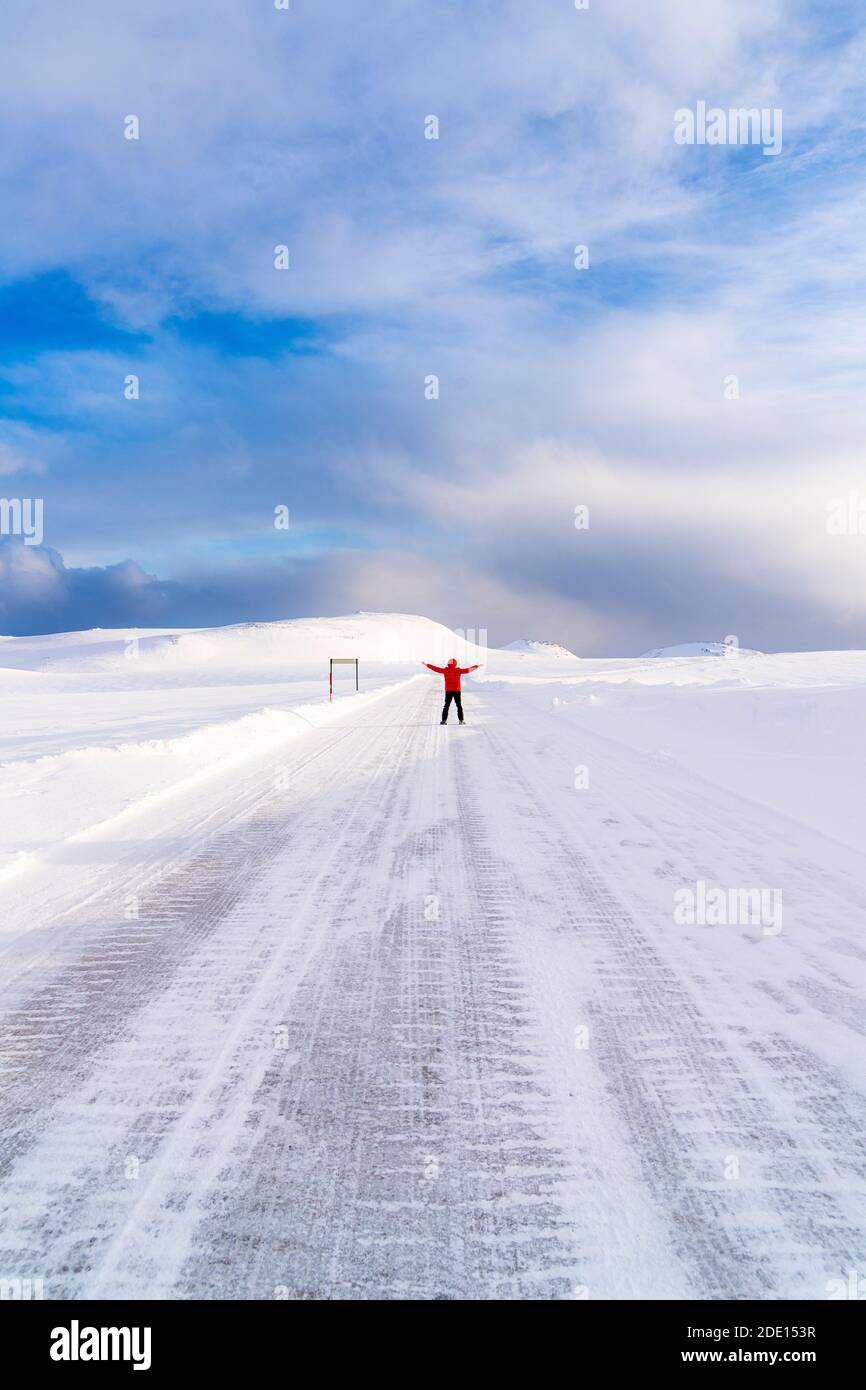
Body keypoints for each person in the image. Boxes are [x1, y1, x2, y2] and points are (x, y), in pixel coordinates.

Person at [423, 657, 480, 724]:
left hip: (448, 691)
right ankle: (461, 720)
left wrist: (427, 665)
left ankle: (444, 721)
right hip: (457, 690)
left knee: (446, 705)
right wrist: (476, 666)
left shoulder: (445, 670)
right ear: (455, 664)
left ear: (448, 664)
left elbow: (436, 669)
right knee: (459, 705)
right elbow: (468, 670)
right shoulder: (458, 670)